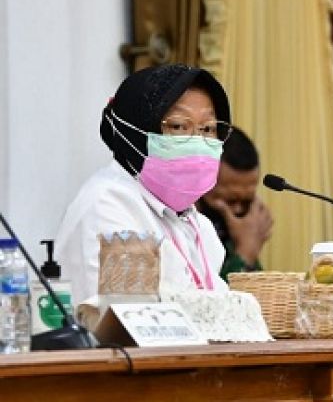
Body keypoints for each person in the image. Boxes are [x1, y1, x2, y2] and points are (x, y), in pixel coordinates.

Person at [56, 64, 232, 302]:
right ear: (136, 132)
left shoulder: (198, 226)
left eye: (208, 128)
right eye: (178, 126)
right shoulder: (109, 205)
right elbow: (130, 313)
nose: (198, 142)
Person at [198, 126, 273, 280]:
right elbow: (208, 292)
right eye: (230, 200)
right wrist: (245, 252)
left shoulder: (240, 229)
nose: (238, 209)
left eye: (246, 201)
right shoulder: (181, 228)